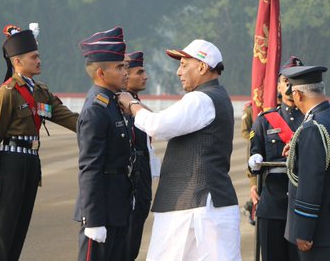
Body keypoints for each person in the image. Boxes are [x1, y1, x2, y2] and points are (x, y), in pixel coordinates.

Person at [118, 39, 241, 261]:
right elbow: (164, 121)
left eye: (184, 65)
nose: (178, 72)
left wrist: (130, 103)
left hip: (193, 206)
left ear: (202, 67)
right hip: (203, 205)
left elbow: (157, 126)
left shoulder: (200, 99)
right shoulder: (213, 97)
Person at [0, 24, 78, 261]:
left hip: (31, 164)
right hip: (11, 165)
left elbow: (71, 119)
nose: (39, 60)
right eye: (33, 56)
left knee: (19, 228)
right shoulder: (7, 94)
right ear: (17, 61)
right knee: (2, 231)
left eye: (38, 56)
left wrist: (99, 124)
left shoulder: (41, 92)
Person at [74, 28, 133, 261]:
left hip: (117, 206)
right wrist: (94, 219)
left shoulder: (113, 103)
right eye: (119, 67)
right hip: (102, 211)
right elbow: (90, 168)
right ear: (101, 72)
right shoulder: (96, 110)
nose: (125, 71)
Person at [248, 56, 304, 261]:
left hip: (304, 204)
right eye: (286, 81)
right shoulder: (265, 121)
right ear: (279, 86)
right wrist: (254, 163)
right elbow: (255, 156)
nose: (290, 86)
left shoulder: (314, 118)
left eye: (296, 80)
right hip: (272, 204)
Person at [282, 65, 330, 261]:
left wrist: (304, 229)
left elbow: (311, 181)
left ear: (298, 95)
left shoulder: (313, 127)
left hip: (319, 233)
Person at [122, 51, 153, 261]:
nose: (145, 76)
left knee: (134, 236)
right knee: (127, 238)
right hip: (130, 174)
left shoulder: (136, 104)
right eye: (139, 71)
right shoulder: (121, 105)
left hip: (142, 171)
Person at [240, 101, 256, 225]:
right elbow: (244, 132)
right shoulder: (250, 109)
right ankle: (250, 209)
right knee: (256, 186)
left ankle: (249, 207)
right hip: (255, 149)